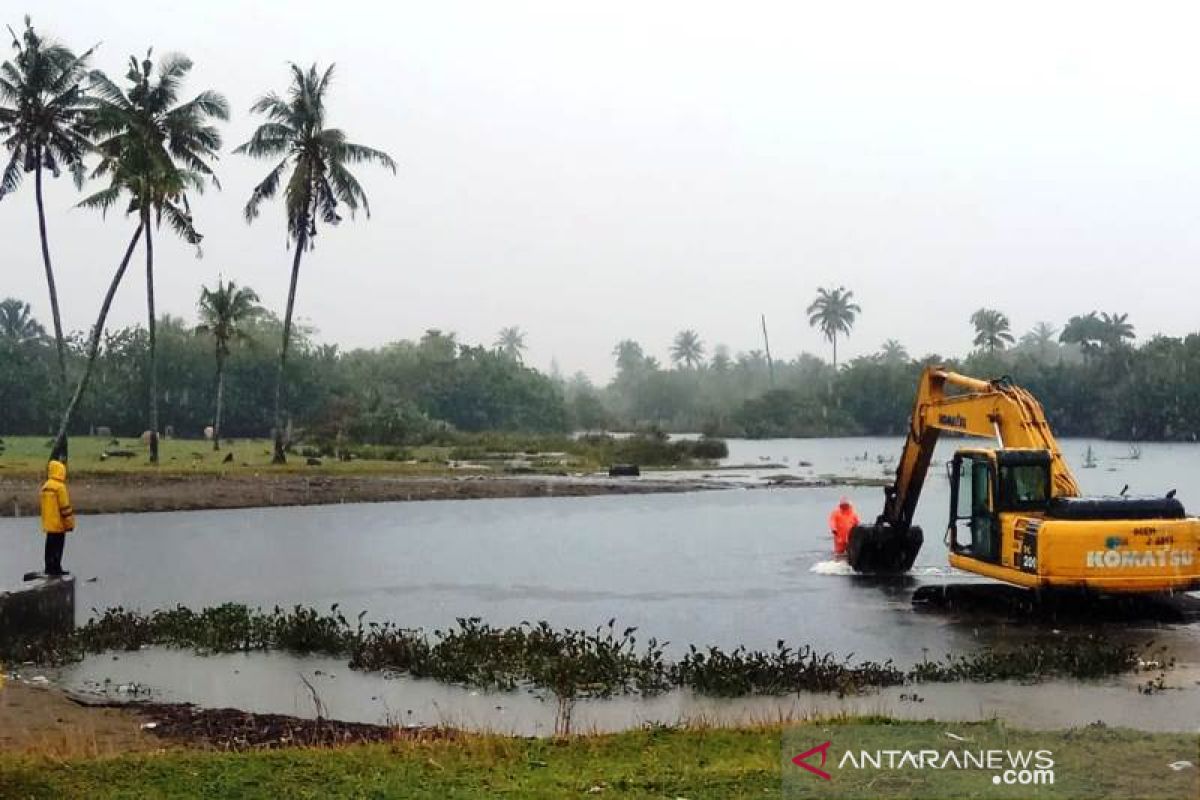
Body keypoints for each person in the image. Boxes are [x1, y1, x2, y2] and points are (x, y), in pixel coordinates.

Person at [39, 460, 74, 576]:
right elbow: (65, 507)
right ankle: (57, 568)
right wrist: (69, 524)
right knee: (58, 547)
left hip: (48, 523)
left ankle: (49, 567)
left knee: (49, 547)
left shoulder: (45, 486)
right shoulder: (60, 487)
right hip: (59, 523)